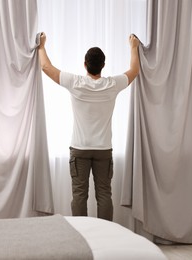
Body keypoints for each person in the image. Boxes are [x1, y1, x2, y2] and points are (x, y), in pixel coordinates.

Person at [38, 32, 140, 221]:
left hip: (80, 149)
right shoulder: (112, 84)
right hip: (103, 150)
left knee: (79, 195)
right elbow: (134, 70)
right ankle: (104, 236)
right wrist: (133, 47)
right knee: (104, 195)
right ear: (103, 65)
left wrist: (42, 45)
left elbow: (45, 66)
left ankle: (83, 236)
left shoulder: (76, 83)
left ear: (85, 64)